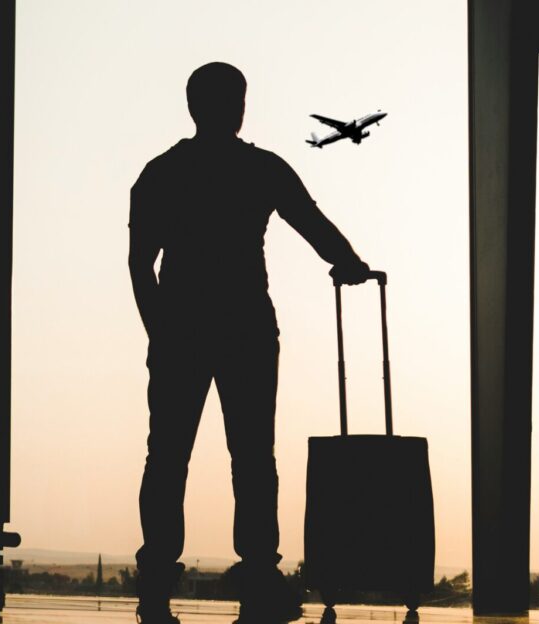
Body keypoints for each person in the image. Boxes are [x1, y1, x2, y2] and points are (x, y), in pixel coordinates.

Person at [128, 61, 371, 624]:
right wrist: (351, 263)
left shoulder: (161, 173)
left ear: (192, 107)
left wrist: (159, 330)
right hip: (246, 329)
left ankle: (156, 584)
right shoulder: (260, 168)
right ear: (238, 106)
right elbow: (311, 223)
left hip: (181, 329)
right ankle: (259, 575)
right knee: (254, 460)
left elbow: (141, 264)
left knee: (166, 458)